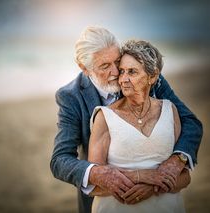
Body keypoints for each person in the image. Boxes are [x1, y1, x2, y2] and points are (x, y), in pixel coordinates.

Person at [50, 26, 203, 213]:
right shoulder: (71, 96)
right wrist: (100, 173)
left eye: (117, 61)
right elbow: (60, 160)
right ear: (84, 68)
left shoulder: (146, 76)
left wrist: (176, 161)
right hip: (106, 197)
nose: (117, 74)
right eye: (105, 66)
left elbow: (191, 122)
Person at [89, 39, 191, 213]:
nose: (123, 79)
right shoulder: (105, 116)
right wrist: (142, 177)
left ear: (152, 76)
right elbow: (95, 183)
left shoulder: (169, 110)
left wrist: (151, 188)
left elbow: (185, 177)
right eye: (122, 72)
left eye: (132, 72)